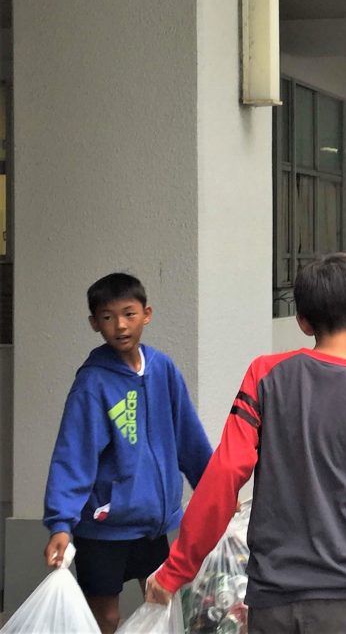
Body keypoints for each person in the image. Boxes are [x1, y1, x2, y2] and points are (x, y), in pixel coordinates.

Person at [145, 253, 346, 634]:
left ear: (302, 321)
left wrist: (175, 570)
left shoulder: (264, 377)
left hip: (271, 604)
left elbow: (225, 474)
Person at [42, 272, 213, 634]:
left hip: (153, 526)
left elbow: (188, 437)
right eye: (107, 317)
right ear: (94, 323)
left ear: (146, 314)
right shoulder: (93, 383)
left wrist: (215, 492)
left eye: (129, 313)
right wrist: (61, 523)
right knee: (106, 618)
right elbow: (74, 454)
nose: (120, 325)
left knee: (163, 607)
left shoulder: (163, 369)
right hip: (103, 529)